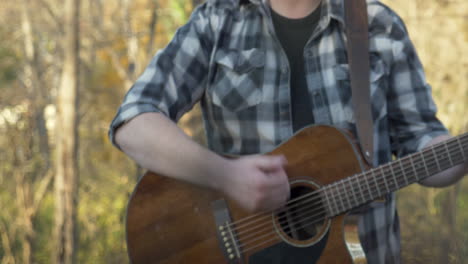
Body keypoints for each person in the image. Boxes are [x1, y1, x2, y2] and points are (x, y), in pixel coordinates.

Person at [109, 0, 467, 262]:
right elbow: (134, 122)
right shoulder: (216, 22)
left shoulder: (378, 25)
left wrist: (459, 152)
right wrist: (226, 175)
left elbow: (422, 139)